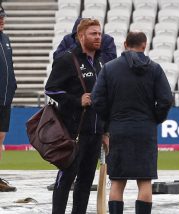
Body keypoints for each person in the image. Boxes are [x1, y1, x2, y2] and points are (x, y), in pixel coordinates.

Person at [92, 31, 173, 214]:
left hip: (118, 128)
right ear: (144, 45)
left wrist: (110, 121)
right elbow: (166, 99)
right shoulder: (155, 68)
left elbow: (97, 99)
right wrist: (155, 118)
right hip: (145, 129)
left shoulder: (109, 68)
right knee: (145, 181)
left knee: (118, 181)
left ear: (125, 44)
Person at [45, 18, 108, 214]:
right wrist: (76, 100)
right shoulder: (66, 59)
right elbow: (51, 89)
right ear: (81, 36)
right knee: (66, 178)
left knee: (86, 182)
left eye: (99, 33)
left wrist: (106, 131)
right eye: (93, 33)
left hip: (95, 133)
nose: (98, 37)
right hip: (74, 131)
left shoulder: (99, 62)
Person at [0, 5, 17, 192]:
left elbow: (9, 66)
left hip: (4, 98)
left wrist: (13, 86)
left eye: (3, 16)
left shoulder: (5, 39)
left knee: (0, 137)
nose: (2, 20)